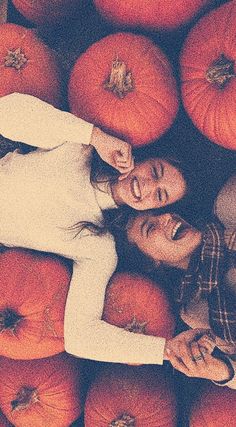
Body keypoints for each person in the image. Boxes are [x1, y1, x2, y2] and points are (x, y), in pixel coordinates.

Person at [0, 92, 190, 365]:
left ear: (153, 210)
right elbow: (5, 113)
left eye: (159, 196)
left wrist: (165, 350)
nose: (148, 186)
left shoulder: (98, 246)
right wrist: (94, 136)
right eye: (156, 172)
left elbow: (81, 337)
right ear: (147, 159)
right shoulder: (79, 148)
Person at [125, 175, 236, 388]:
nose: (166, 216)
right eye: (150, 227)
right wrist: (221, 370)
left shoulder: (228, 205)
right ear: (150, 262)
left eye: (160, 211)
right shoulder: (196, 310)